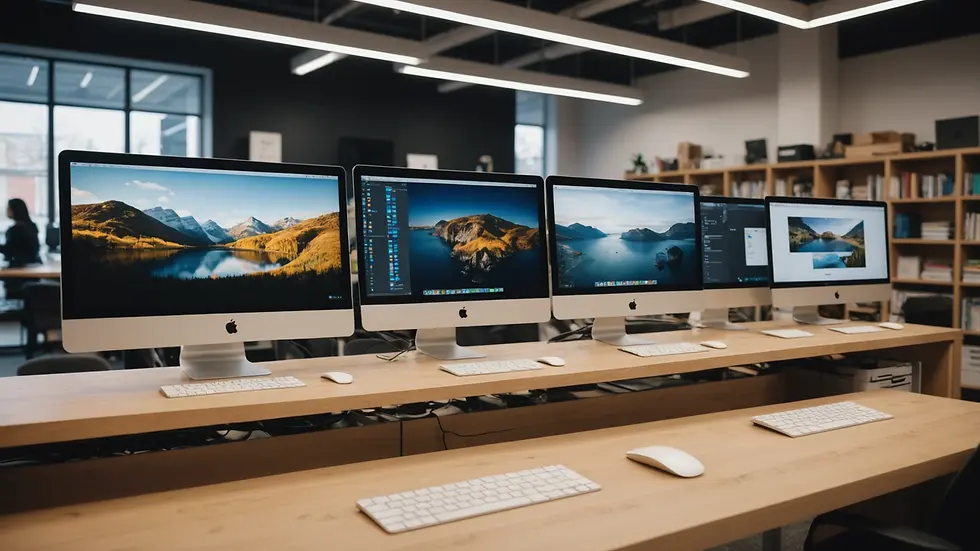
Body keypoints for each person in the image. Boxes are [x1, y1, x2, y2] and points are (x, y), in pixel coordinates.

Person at [0, 199, 40, 267]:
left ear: (15, 210)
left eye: (8, 208)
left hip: (20, 267)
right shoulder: (32, 226)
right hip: (33, 265)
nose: (7, 211)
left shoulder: (16, 229)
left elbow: (10, 250)